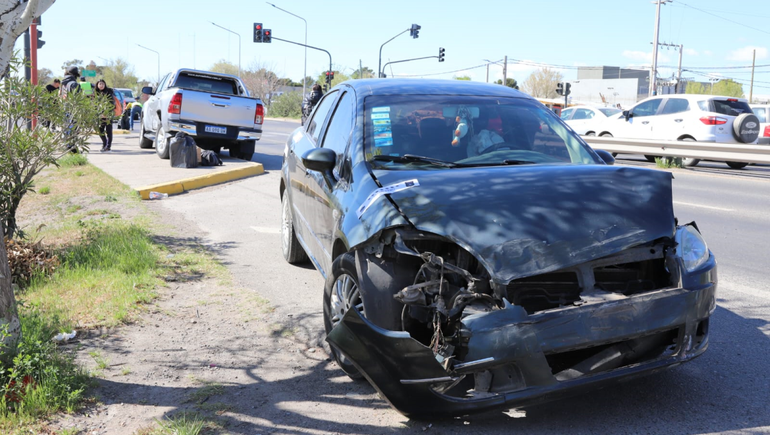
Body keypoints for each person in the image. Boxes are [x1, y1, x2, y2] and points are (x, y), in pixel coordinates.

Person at [94, 79, 116, 152]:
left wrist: (106, 113)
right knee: (100, 130)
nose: (101, 85)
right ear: (97, 85)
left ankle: (108, 146)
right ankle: (105, 143)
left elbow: (112, 103)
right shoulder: (96, 93)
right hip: (99, 115)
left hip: (108, 114)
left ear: (105, 84)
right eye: (99, 84)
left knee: (109, 131)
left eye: (102, 84)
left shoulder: (109, 92)